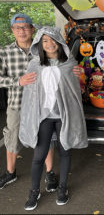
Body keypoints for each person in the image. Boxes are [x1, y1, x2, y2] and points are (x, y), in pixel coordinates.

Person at [19, 26, 88, 210]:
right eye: (45, 41)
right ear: (40, 44)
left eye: (52, 40)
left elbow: (75, 92)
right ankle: (34, 191)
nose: (49, 44)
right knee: (38, 155)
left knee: (65, 151)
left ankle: (62, 188)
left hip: (64, 116)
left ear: (59, 41)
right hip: (44, 117)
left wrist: (81, 76)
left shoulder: (70, 63)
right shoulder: (34, 64)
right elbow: (31, 95)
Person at [0, 14, 58, 191]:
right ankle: (10, 173)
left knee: (45, 139)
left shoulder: (44, 47)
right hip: (17, 104)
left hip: (42, 105)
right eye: (17, 28)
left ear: (32, 29)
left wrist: (74, 71)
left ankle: (49, 173)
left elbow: (59, 67)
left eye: (25, 27)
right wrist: (18, 81)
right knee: (12, 138)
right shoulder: (4, 52)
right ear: (12, 31)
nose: (22, 31)